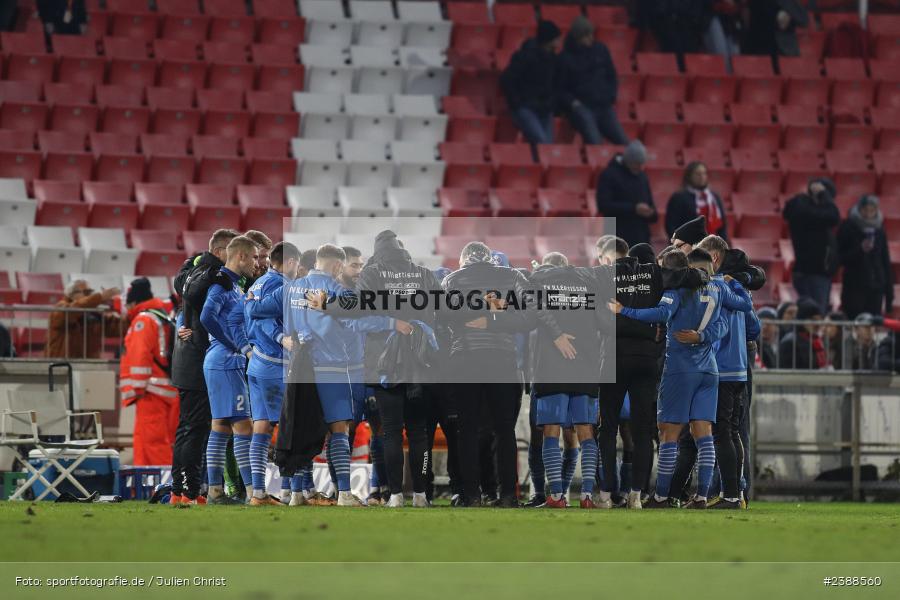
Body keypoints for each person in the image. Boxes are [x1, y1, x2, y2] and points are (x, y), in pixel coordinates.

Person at [288, 244, 412, 507]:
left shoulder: (292, 288)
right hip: (331, 367)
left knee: (305, 427)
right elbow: (358, 321)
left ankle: (297, 493)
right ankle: (344, 493)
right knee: (339, 429)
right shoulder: (336, 290)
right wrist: (392, 322)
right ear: (336, 266)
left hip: (299, 367)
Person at [595, 236, 709, 509]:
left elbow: (599, 318)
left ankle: (606, 495)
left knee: (608, 428)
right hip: (646, 358)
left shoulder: (605, 276)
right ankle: (636, 495)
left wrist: (619, 324)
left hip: (613, 356)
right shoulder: (656, 275)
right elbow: (691, 277)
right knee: (643, 430)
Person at [506, 252, 603, 509]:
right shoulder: (588, 279)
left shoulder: (538, 280)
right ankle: (587, 496)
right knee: (585, 431)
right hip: (586, 364)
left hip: (550, 366)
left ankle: (557, 496)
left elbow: (525, 310)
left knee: (551, 431)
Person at [441, 242, 530, 507]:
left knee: (467, 430)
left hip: (465, 358)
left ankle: (471, 494)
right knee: (505, 430)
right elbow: (531, 316)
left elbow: (442, 315)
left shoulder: (451, 280)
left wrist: (472, 312)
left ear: (464, 259)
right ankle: (508, 495)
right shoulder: (512, 276)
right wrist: (494, 315)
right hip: (501, 360)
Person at [169, 228, 239, 504]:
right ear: (222, 252)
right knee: (193, 428)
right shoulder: (208, 275)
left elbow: (185, 296)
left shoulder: (195, 272)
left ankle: (188, 490)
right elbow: (189, 293)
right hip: (194, 361)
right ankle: (183, 491)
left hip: (193, 359)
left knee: (196, 428)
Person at [696, 235, 756, 509]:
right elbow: (754, 327)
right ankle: (738, 493)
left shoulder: (713, 287)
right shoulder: (738, 290)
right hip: (740, 370)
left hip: (719, 368)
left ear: (714, 258)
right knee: (732, 432)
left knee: (721, 432)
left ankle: (730, 494)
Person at [199, 235, 259, 505]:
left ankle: (215, 491)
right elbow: (206, 316)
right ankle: (251, 493)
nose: (257, 263)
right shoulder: (221, 287)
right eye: (255, 257)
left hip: (222, 362)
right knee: (243, 427)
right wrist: (233, 344)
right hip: (225, 362)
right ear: (242, 256)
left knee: (220, 426)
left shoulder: (234, 286)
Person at [243, 242, 302, 506]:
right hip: (273, 362)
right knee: (290, 426)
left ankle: (258, 493)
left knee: (262, 427)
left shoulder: (257, 284)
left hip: (257, 361)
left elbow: (250, 316)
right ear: (290, 263)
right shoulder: (278, 285)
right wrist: (281, 338)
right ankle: (291, 490)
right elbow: (263, 319)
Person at [119, 278, 178, 466]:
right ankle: (143, 488)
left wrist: (136, 388)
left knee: (154, 443)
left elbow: (139, 355)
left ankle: (166, 488)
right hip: (165, 389)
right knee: (148, 442)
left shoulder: (143, 321)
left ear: (134, 303)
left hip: (151, 392)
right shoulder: (161, 316)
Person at [556, 16, 628, 146]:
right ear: (578, 37)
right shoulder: (564, 58)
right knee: (595, 142)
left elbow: (611, 75)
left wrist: (611, 96)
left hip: (604, 105)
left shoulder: (601, 50)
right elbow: (560, 88)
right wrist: (573, 103)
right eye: (586, 35)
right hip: (583, 107)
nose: (591, 38)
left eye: (591, 34)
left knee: (623, 142)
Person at [500, 20, 561, 149]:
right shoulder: (525, 57)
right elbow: (507, 79)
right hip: (526, 108)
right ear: (548, 39)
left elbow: (557, 85)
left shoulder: (554, 60)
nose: (559, 41)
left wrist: (551, 103)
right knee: (542, 144)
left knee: (547, 149)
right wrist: (517, 104)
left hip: (545, 109)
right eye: (557, 38)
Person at [783, 178, 841, 313]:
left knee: (816, 313)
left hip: (817, 272)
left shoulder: (813, 213)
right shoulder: (803, 208)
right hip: (811, 272)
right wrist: (823, 195)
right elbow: (834, 216)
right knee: (815, 316)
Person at [837, 195, 894, 319]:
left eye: (872, 210)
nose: (868, 213)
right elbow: (840, 258)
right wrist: (860, 250)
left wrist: (889, 295)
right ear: (859, 209)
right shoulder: (847, 227)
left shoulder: (880, 230)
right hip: (854, 288)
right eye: (865, 209)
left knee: (872, 326)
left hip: (876, 287)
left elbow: (885, 260)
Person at [595, 140, 657, 247]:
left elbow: (650, 203)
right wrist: (633, 208)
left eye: (642, 164)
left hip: (640, 236)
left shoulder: (642, 177)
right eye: (637, 164)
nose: (640, 167)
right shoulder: (609, 175)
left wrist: (651, 213)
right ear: (628, 161)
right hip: (616, 235)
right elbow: (604, 205)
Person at [46, 280, 121, 359]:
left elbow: (113, 326)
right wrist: (99, 297)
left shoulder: (92, 311)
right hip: (63, 365)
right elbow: (73, 310)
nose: (89, 296)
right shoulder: (60, 307)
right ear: (71, 294)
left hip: (88, 365)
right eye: (86, 292)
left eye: (90, 292)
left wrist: (131, 316)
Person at [666, 163, 728, 243]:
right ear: (689, 176)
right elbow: (671, 225)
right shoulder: (679, 197)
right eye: (698, 174)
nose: (702, 177)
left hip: (711, 245)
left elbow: (722, 225)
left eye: (704, 173)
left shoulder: (714, 197)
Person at [778, 298, 827, 369]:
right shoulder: (790, 342)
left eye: (820, 320)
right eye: (813, 320)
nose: (817, 324)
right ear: (802, 320)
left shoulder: (817, 341)